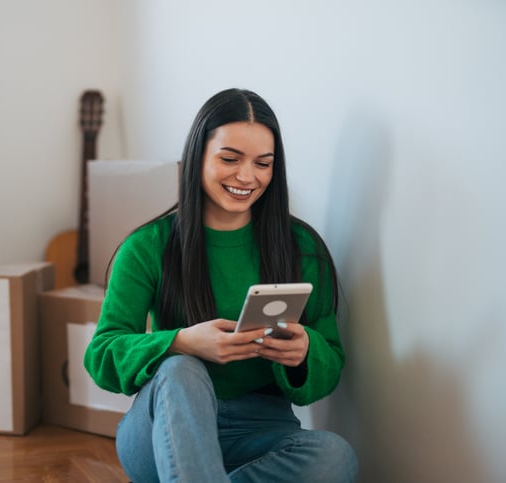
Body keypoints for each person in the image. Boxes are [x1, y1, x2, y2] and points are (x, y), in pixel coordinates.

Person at [83, 88, 358, 482]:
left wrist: (305, 350)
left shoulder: (303, 248)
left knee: (335, 456)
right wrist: (180, 342)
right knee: (180, 368)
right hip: (162, 429)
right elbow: (102, 355)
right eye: (230, 159)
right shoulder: (147, 246)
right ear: (198, 157)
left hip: (262, 429)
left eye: (263, 163)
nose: (247, 177)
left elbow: (329, 365)